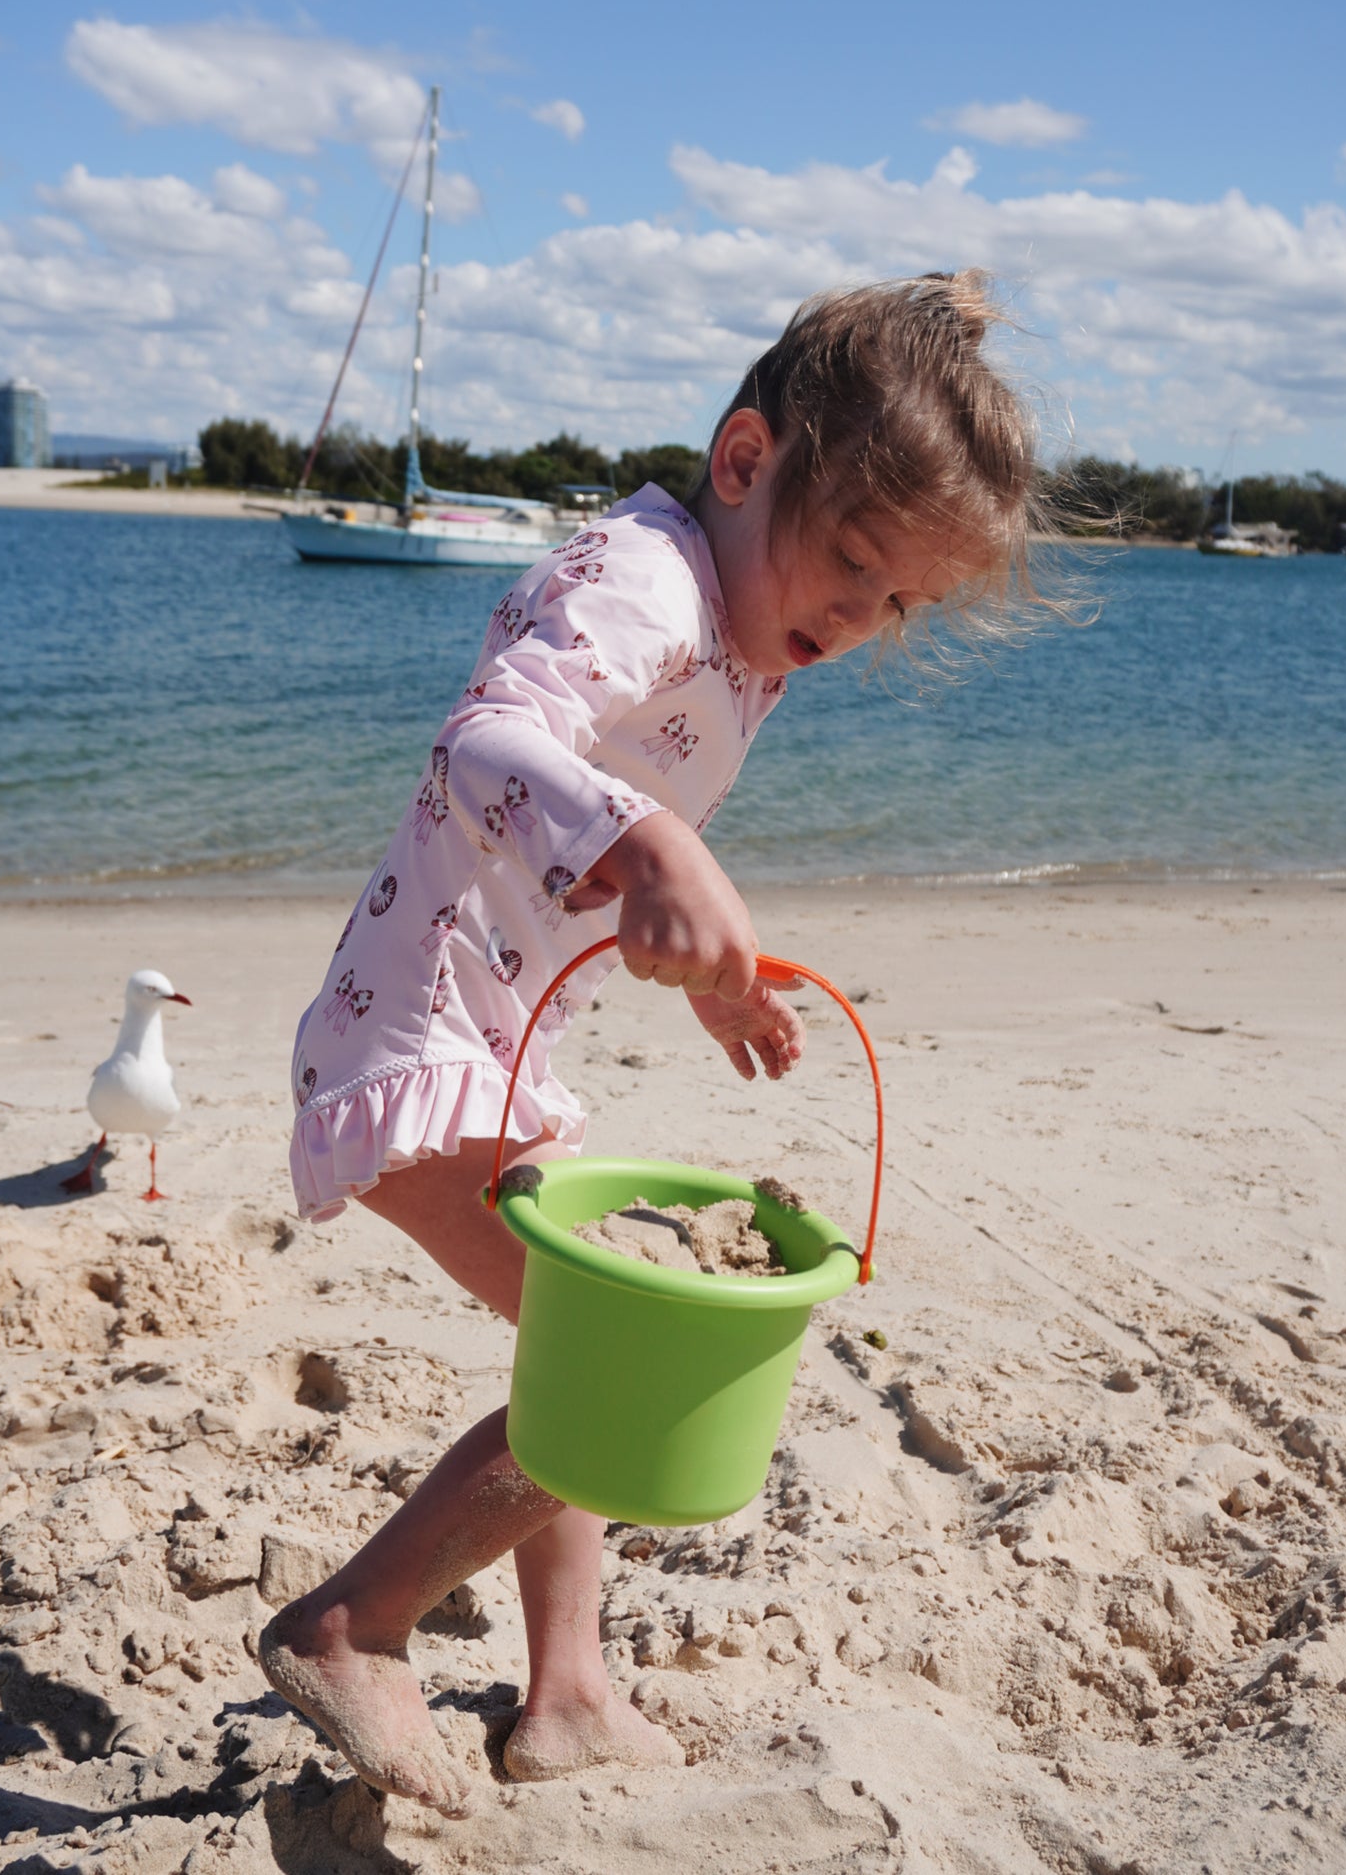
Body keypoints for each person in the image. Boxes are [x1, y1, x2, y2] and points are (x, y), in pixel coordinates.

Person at [261, 272, 1060, 1812]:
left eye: (896, 603)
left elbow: (595, 871)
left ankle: (565, 1693)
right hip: (419, 1039)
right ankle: (352, 1625)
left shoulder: (744, 634)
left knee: (576, 1354)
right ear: (746, 461)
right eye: (849, 563)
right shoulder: (640, 577)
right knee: (611, 1380)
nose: (856, 617)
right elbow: (485, 740)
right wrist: (652, 845)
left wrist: (705, 968)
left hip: (488, 1041)